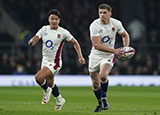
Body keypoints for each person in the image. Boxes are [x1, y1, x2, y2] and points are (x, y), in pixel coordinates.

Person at [28, 9, 85, 111]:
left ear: (59, 20)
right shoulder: (44, 29)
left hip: (55, 62)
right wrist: (32, 42)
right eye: (52, 19)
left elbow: (75, 42)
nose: (54, 21)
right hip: (45, 61)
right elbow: (36, 37)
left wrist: (80, 56)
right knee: (50, 84)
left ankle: (46, 91)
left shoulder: (63, 32)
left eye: (56, 19)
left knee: (38, 78)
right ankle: (59, 100)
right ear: (48, 19)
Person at [88, 4, 130, 112]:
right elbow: (96, 45)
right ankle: (100, 103)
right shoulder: (94, 25)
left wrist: (125, 49)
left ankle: (104, 98)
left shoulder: (116, 23)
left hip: (108, 55)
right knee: (95, 84)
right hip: (95, 55)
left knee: (103, 75)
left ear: (110, 14)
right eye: (100, 13)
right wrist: (115, 51)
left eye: (104, 13)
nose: (102, 15)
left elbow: (125, 35)